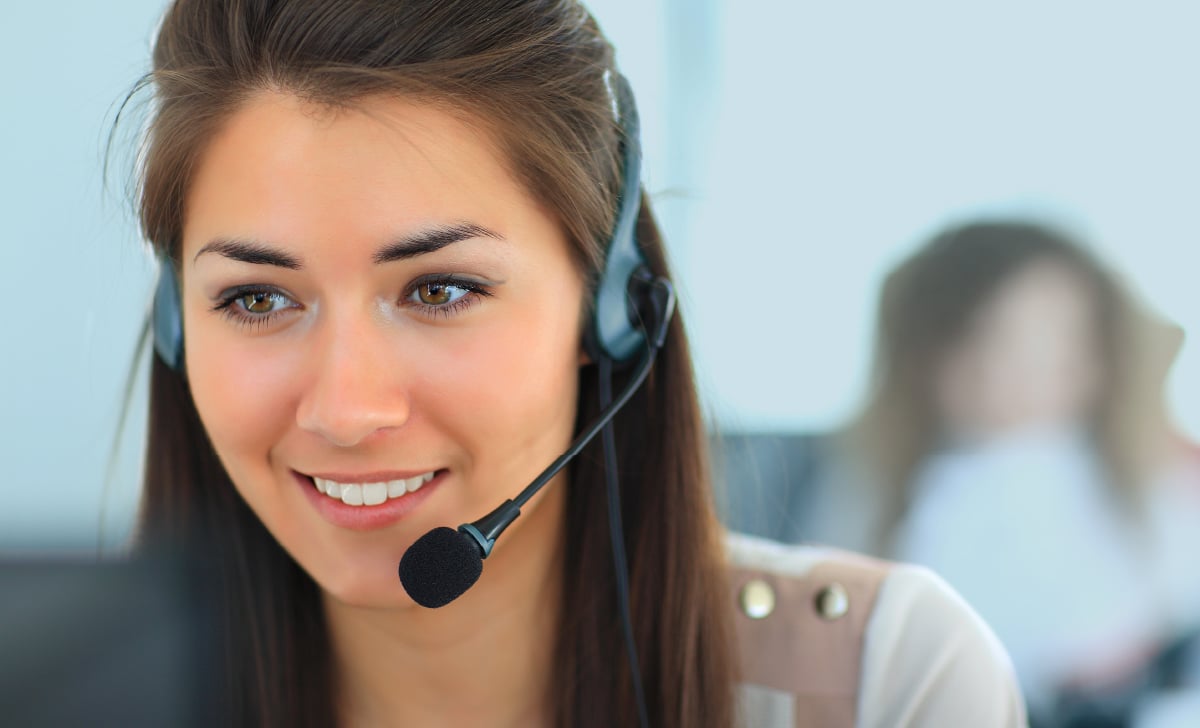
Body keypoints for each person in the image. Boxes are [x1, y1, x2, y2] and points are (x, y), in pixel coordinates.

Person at [125, 1, 1025, 726]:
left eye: (440, 291)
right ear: (178, 325)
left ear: (609, 308)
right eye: (258, 299)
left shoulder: (889, 682)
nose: (346, 410)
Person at [803, 220, 1200, 723]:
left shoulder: (1154, 483)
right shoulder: (875, 490)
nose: (1028, 374)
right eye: (995, 341)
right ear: (929, 355)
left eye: (1062, 347)